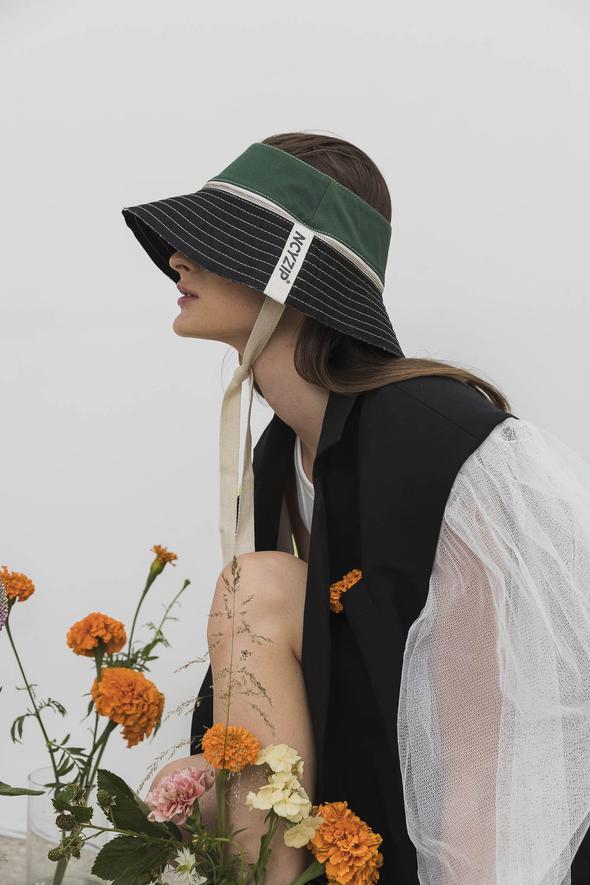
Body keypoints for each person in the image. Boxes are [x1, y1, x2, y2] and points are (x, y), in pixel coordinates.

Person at [122, 132, 590, 884]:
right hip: (366, 815)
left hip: (492, 837)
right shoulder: (279, 455)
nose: (177, 259)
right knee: (249, 608)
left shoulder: (434, 441)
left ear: (289, 270)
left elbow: (490, 743)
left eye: (214, 242)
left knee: (257, 587)